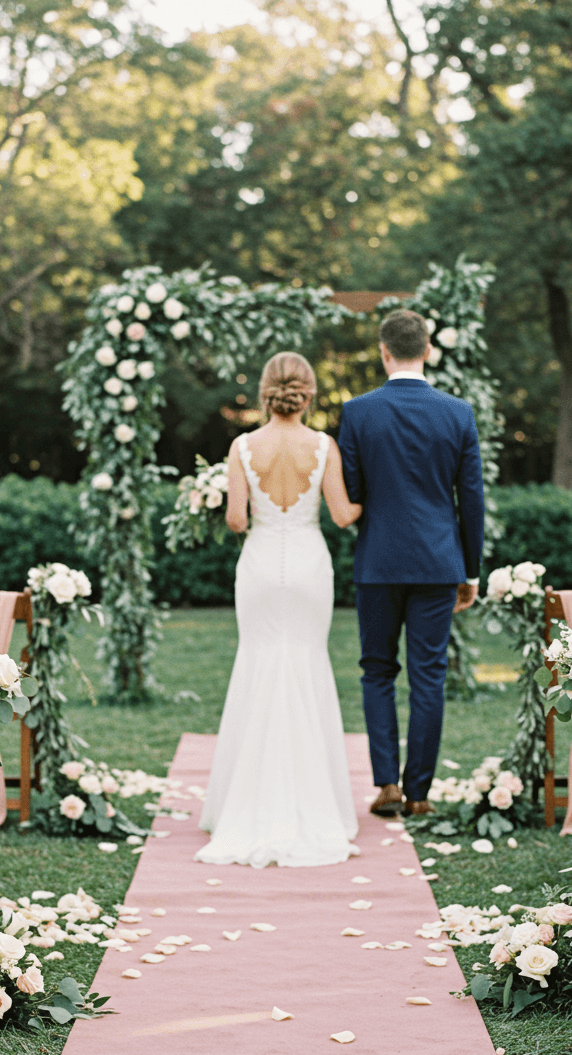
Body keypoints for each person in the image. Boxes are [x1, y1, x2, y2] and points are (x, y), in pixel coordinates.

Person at [196, 352, 363, 867]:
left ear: (266, 391)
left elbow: (238, 520)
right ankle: (316, 801)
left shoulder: (242, 446)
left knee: (259, 661)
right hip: (311, 565)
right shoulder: (324, 446)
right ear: (308, 394)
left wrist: (213, 501)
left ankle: (245, 801)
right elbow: (342, 514)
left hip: (262, 566)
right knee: (307, 663)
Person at [338, 308, 485, 818]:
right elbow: (472, 500)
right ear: (427, 350)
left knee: (377, 671)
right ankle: (419, 792)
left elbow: (352, 493)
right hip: (439, 564)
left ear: (384, 352)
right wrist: (470, 570)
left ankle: (386, 787)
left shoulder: (356, 413)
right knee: (429, 675)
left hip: (378, 562)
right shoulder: (458, 413)